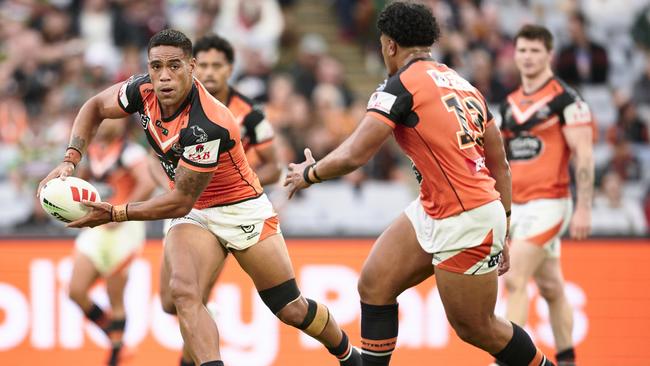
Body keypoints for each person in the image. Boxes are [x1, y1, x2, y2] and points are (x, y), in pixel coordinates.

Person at [38, 29, 360, 366]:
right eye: (156, 66)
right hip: (197, 213)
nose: (164, 76)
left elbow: (180, 201)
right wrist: (69, 161)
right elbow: (94, 107)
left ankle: (347, 353)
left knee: (290, 308)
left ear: (191, 67)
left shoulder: (207, 123)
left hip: (240, 208)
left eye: (174, 66)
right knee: (182, 294)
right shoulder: (141, 89)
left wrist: (116, 212)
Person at [285, 3, 554, 366]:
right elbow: (500, 164)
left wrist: (309, 174)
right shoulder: (464, 85)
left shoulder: (401, 86)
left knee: (477, 328)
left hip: (465, 218)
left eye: (382, 46)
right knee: (375, 284)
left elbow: (356, 153)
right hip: (443, 206)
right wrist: (503, 223)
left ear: (390, 45)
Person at [170, 33, 281, 366]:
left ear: (229, 69)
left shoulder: (251, 115)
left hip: (230, 211)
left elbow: (274, 163)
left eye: (216, 65)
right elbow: (153, 152)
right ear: (191, 68)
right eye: (202, 65)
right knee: (168, 300)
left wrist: (240, 191)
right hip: (184, 205)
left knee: (191, 296)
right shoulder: (174, 104)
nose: (208, 72)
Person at [498, 24, 595, 366]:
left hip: (550, 204)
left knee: (514, 279)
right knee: (552, 287)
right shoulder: (509, 104)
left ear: (549, 55)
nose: (527, 57)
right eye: (522, 50)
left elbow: (583, 155)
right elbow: (501, 159)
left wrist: (583, 208)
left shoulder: (566, 99)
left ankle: (507, 360)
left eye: (535, 50)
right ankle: (567, 358)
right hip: (518, 207)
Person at [67, 118, 155, 366]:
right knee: (76, 290)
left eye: (113, 119)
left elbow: (147, 182)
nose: (106, 124)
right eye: (103, 119)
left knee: (114, 295)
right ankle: (116, 339)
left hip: (124, 230)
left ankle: (117, 355)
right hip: (98, 227)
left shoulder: (130, 152)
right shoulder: (94, 150)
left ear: (123, 125)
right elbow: (82, 183)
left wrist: (122, 212)